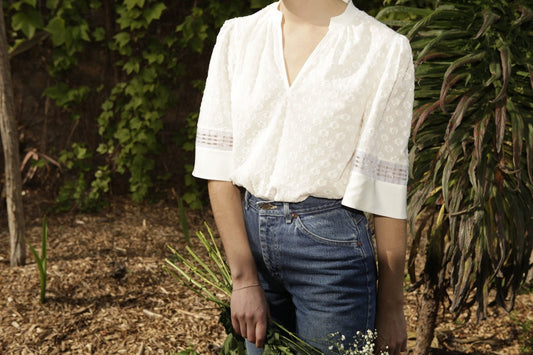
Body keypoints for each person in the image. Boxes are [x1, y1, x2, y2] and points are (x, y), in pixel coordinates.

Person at [192, 0, 414, 353]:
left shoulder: (383, 49)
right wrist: (244, 278)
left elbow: (384, 189)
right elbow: (216, 167)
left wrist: (391, 308)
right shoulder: (238, 36)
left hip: (333, 257)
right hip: (249, 244)